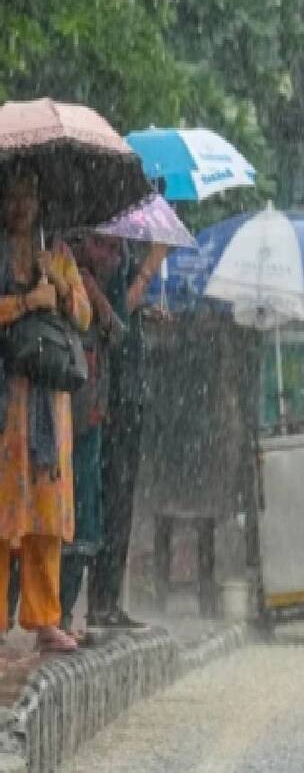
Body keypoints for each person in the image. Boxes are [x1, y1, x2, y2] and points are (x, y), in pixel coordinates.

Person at [0, 164, 91, 652]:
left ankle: (44, 618)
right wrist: (24, 304)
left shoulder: (57, 254)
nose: (20, 207)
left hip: (47, 405)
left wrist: (56, 284)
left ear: (40, 202)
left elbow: (83, 315)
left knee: (45, 513)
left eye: (28, 197)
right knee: (2, 511)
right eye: (12, 196)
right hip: (6, 399)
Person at [87, 239, 166, 630]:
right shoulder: (108, 256)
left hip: (130, 392)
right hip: (112, 395)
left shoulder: (122, 254)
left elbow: (128, 311)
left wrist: (146, 311)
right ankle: (100, 601)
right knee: (112, 496)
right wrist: (152, 264)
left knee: (123, 500)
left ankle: (110, 598)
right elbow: (115, 316)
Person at [59, 232, 125, 635]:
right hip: (62, 418)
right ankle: (54, 612)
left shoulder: (97, 288)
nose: (112, 257)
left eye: (116, 250)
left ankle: (66, 610)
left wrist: (98, 296)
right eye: (104, 246)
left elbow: (117, 333)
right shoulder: (60, 274)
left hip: (91, 420)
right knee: (63, 518)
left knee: (86, 520)